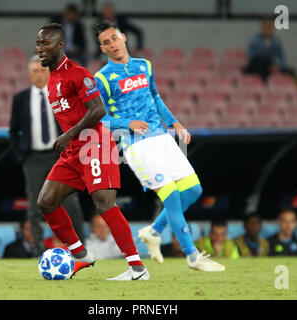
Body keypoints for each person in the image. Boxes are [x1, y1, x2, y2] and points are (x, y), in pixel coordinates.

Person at [93, 21, 224, 272]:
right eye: (106, 42)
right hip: (136, 146)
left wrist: (175, 123)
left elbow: (155, 97)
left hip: (162, 138)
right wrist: (127, 122)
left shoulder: (144, 66)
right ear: (102, 48)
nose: (112, 44)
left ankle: (154, 231)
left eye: (114, 38)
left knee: (193, 191)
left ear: (123, 37)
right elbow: (98, 119)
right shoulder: (102, 78)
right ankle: (192, 255)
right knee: (172, 197)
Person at [35, 23, 149, 280]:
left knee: (103, 203)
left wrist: (68, 134)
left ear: (61, 45)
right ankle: (80, 254)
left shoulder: (77, 73)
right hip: (73, 152)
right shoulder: (52, 78)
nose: (40, 49)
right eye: (38, 44)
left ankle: (137, 269)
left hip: (94, 144)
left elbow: (97, 109)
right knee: (46, 201)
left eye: (46, 43)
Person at [10, 54, 85, 255]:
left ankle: (81, 250)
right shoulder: (20, 99)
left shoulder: (60, 95)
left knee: (71, 203)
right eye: (34, 71)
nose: (38, 75)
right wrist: (21, 155)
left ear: (49, 72)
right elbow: (13, 130)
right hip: (32, 158)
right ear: (29, 74)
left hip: (59, 155)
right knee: (35, 206)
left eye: (42, 70)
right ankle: (38, 251)